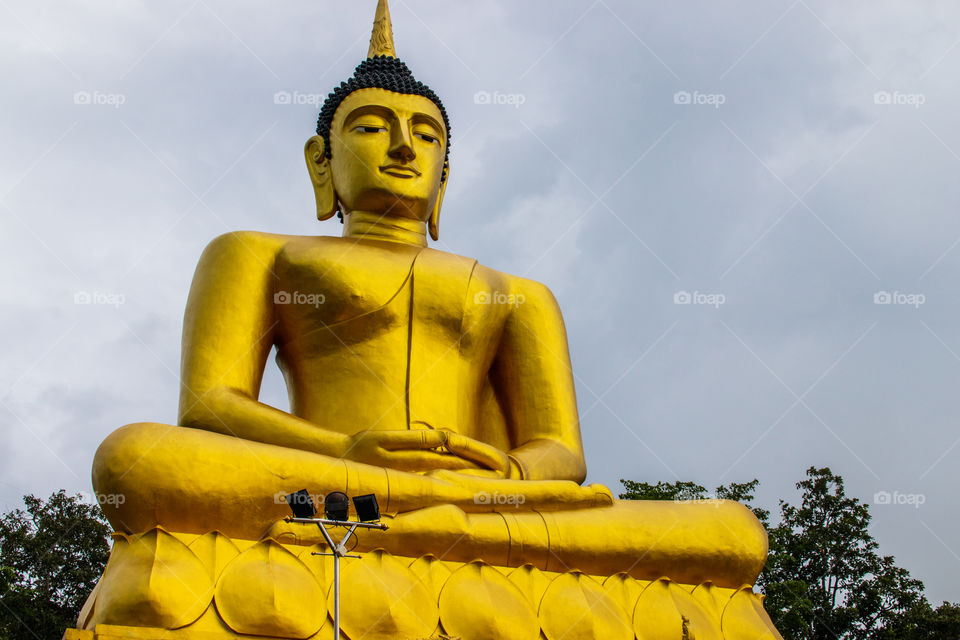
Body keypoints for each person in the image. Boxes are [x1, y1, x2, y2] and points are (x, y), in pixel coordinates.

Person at [91, 0, 766, 588]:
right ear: (319, 162)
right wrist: (347, 453)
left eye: (427, 134)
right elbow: (210, 404)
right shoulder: (259, 254)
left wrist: (500, 472)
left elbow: (559, 452)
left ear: (445, 175)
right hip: (331, 478)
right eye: (373, 125)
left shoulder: (518, 294)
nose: (405, 147)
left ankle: (414, 519)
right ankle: (428, 519)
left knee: (733, 529)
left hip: (473, 493)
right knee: (139, 460)